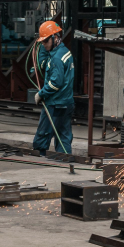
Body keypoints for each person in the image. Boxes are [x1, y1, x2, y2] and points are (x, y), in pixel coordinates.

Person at [32, 21, 75, 156]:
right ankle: (64, 159)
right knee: (63, 136)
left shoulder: (56, 58)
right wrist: (42, 47)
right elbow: (44, 64)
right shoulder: (64, 52)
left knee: (43, 134)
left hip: (55, 104)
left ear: (55, 37)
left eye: (46, 41)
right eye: (42, 42)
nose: (44, 44)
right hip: (67, 103)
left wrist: (41, 94)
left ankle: (39, 159)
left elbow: (55, 83)